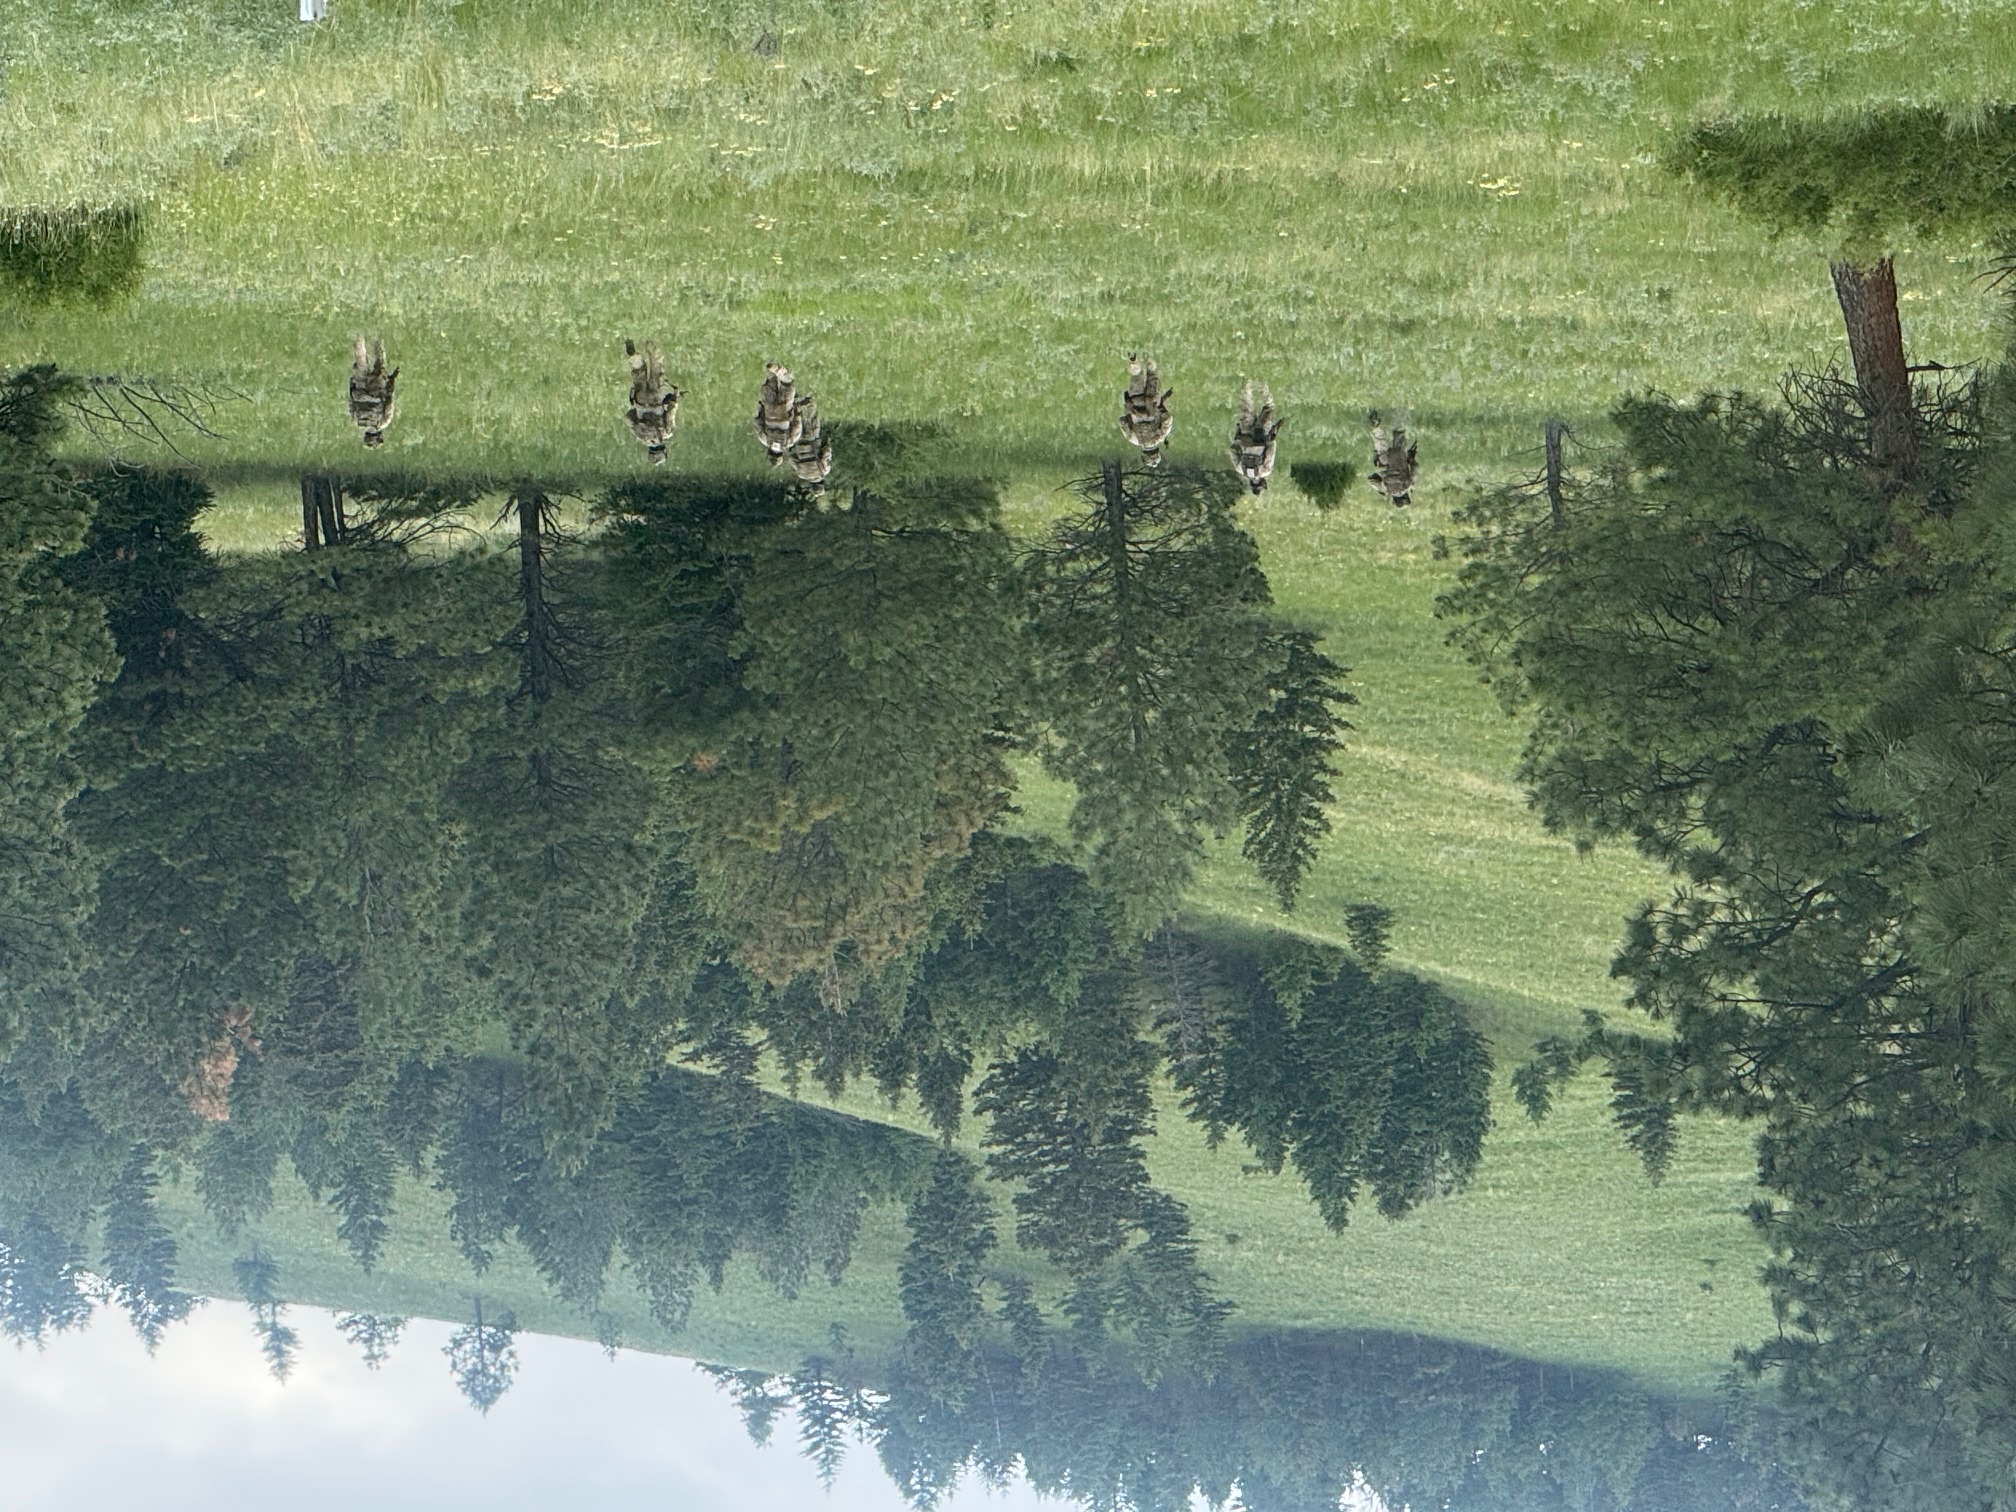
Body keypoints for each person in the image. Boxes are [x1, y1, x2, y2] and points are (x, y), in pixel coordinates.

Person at [624, 339, 680, 464]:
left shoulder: (667, 433)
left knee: (657, 370)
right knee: (639, 375)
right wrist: (637, 408)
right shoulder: (641, 436)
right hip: (641, 400)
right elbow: (628, 418)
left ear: (664, 450)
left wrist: (675, 398)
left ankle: (651, 344)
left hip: (656, 399)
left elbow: (671, 413)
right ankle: (634, 357)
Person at [1229, 380, 1284, 495]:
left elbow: (1270, 452)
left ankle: (1264, 385)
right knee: (1246, 408)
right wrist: (1240, 440)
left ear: (1262, 483)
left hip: (1262, 434)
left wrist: (1273, 436)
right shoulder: (1240, 469)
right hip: (1245, 435)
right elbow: (1232, 450)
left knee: (1269, 408)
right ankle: (1247, 383)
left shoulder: (1265, 471)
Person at [1120, 353, 1174, 466]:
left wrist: (1160, 408)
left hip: (1152, 401)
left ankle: (1148, 352)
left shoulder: (1160, 436)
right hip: (1135, 402)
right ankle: (1134, 361)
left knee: (1152, 374)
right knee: (1136, 377)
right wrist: (1131, 412)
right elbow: (1122, 421)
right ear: (1143, 454)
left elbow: (1167, 419)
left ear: (1157, 451)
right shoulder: (1134, 439)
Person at [349, 337, 397, 448]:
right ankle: (359, 338)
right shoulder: (357, 421)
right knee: (360, 363)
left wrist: (390, 385)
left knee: (380, 363)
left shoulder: (383, 423)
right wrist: (352, 386)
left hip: (377, 391)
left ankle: (379, 339)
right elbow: (351, 403)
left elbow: (389, 405)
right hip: (360, 391)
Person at [755, 363, 804, 464]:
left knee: (788, 385)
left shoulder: (788, 442)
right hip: (769, 411)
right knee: (769, 384)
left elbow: (797, 428)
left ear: (782, 454)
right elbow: (757, 422)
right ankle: (771, 369)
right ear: (769, 453)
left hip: (784, 412)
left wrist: (798, 412)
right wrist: (761, 408)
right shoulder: (764, 440)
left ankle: (779, 370)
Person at [1369, 410, 1418, 506]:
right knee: (1380, 441)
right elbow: (1371, 481)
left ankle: (1399, 413)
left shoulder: (1408, 485)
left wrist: (1411, 458)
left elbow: (1415, 469)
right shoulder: (1386, 489)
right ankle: (1376, 427)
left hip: (1399, 458)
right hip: (1385, 461)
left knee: (1399, 434)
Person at [788, 393, 834, 484]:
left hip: (813, 440)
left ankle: (809, 396)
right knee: (797, 421)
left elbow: (825, 455)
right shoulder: (801, 474)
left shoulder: (823, 471)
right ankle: (795, 399)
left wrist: (827, 444)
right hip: (799, 442)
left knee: (811, 417)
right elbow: (791, 459)